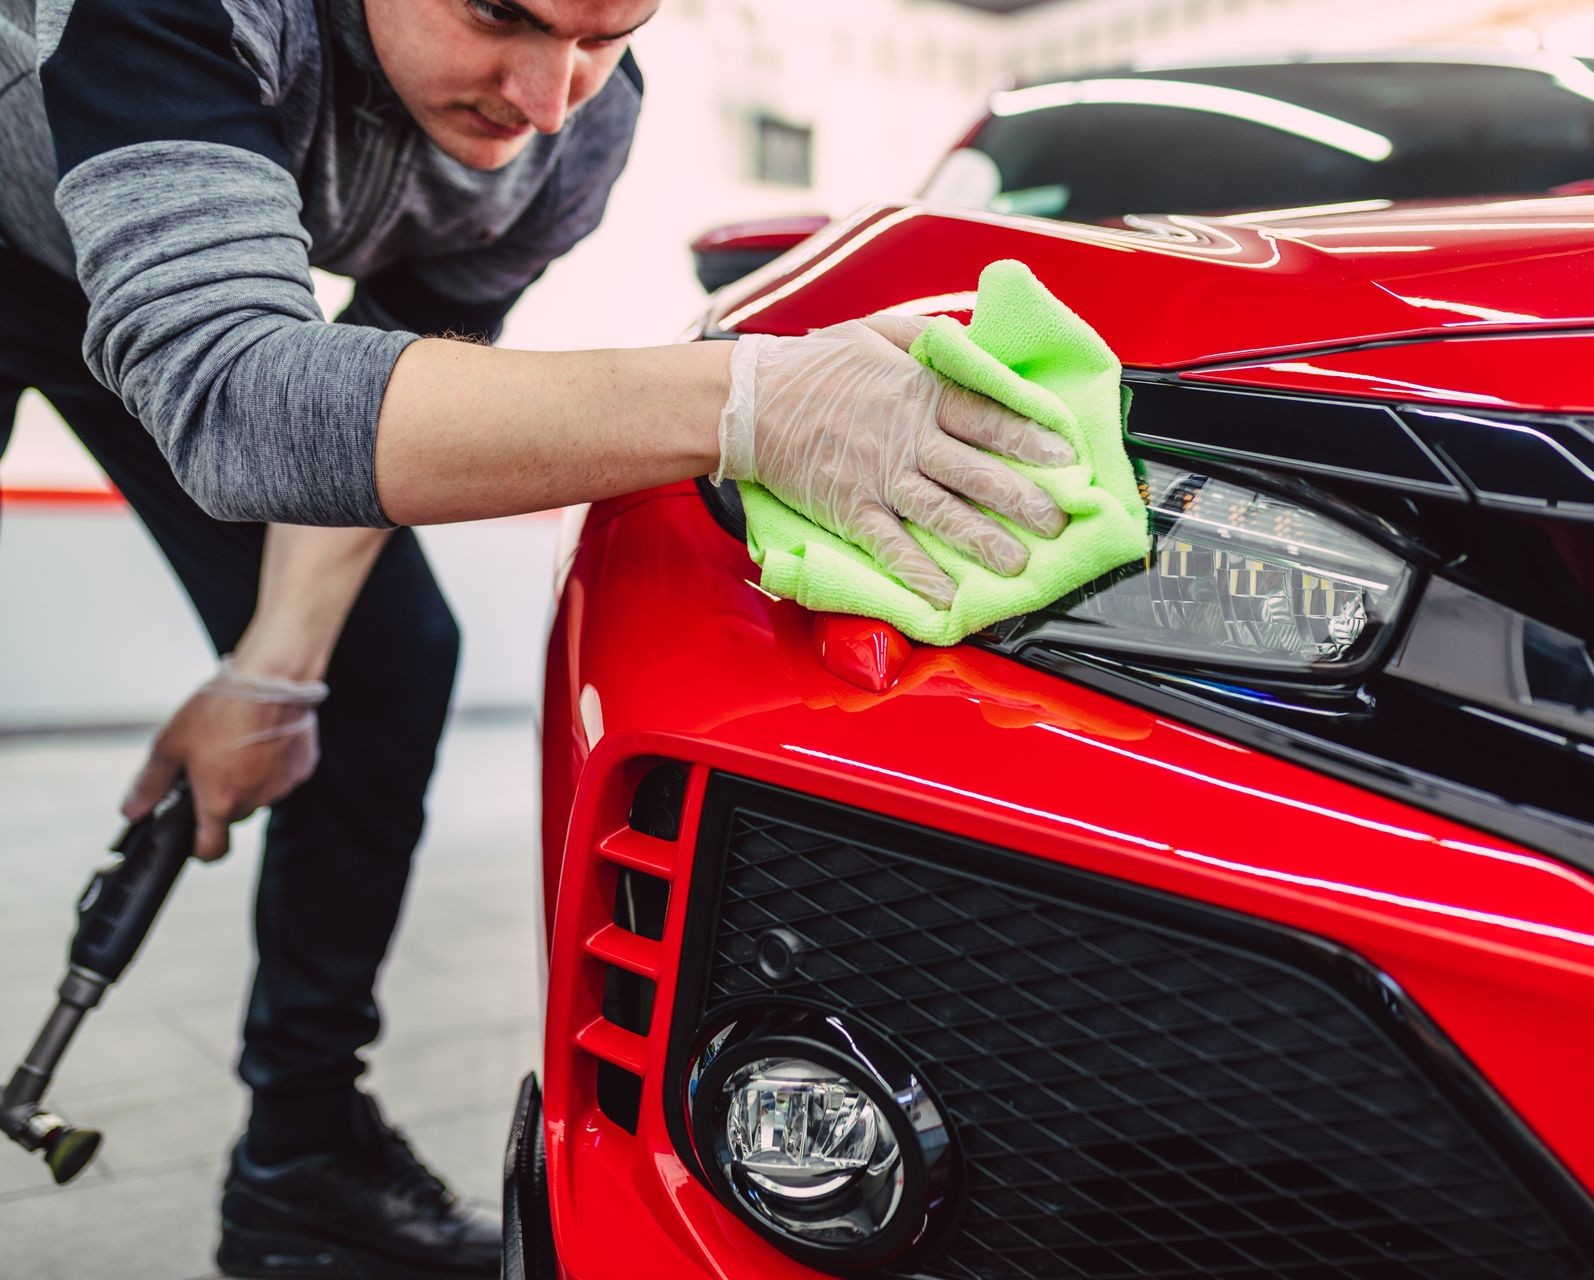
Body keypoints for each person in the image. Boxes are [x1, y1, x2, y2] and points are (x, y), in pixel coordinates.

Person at [0, 0, 1072, 1272]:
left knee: (385, 662)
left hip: (185, 314)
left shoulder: (577, 132)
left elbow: (362, 396)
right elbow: (237, 397)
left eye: (606, 34)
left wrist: (271, 674)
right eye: (499, 14)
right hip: (37, 254)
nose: (549, 94)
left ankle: (300, 1157)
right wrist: (750, 398)